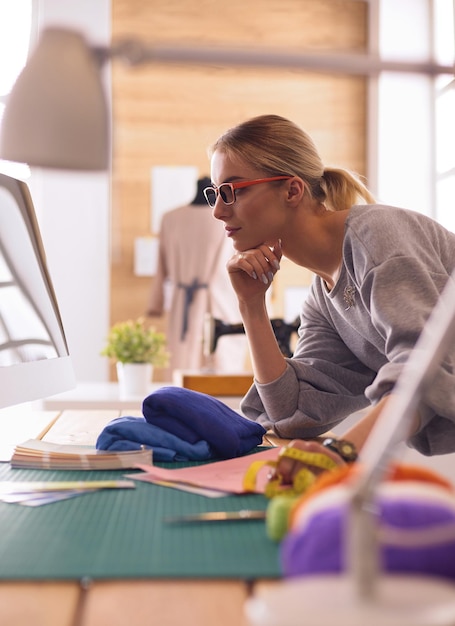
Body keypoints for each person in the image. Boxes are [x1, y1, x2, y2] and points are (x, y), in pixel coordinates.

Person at [203, 113, 455, 485]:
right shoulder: (324, 294)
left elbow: (425, 370)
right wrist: (252, 307)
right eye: (215, 192)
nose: (218, 210)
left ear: (292, 190)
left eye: (232, 190)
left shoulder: (378, 237)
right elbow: (293, 413)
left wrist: (340, 455)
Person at [146, 175, 246, 377]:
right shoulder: (171, 218)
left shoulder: (172, 218)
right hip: (206, 301)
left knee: (219, 367)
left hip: (213, 302)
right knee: (188, 368)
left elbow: (161, 269)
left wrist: (155, 304)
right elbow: (162, 266)